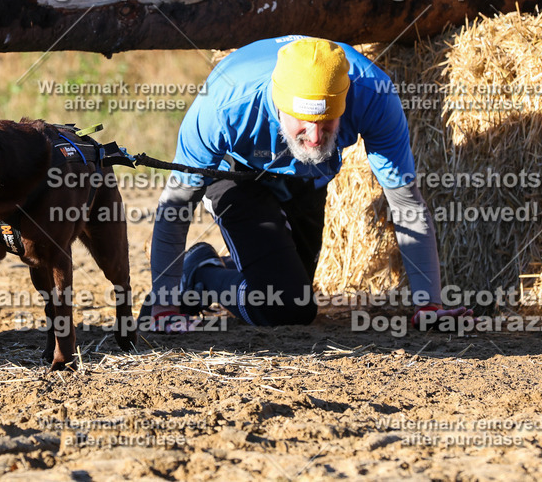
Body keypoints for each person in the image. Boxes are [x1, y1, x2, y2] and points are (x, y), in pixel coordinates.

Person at [142, 35, 469, 332]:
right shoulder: (224, 108)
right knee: (285, 305)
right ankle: (199, 273)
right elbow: (177, 203)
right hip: (237, 175)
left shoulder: (373, 95)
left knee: (290, 285)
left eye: (328, 123)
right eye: (304, 122)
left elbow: (405, 202)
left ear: (345, 102)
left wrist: (429, 305)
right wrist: (164, 307)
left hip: (307, 180)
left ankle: (230, 265)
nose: (314, 137)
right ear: (278, 104)